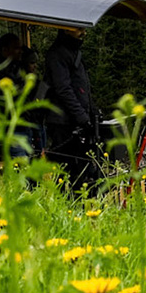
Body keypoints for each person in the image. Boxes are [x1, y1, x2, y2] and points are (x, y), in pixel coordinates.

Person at [43, 28, 100, 192]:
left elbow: (81, 87)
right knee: (66, 169)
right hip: (62, 122)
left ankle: (82, 199)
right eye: (78, 29)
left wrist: (92, 112)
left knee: (83, 167)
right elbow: (63, 89)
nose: (83, 33)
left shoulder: (73, 52)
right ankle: (66, 202)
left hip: (75, 120)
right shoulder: (57, 54)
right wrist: (81, 116)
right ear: (66, 30)